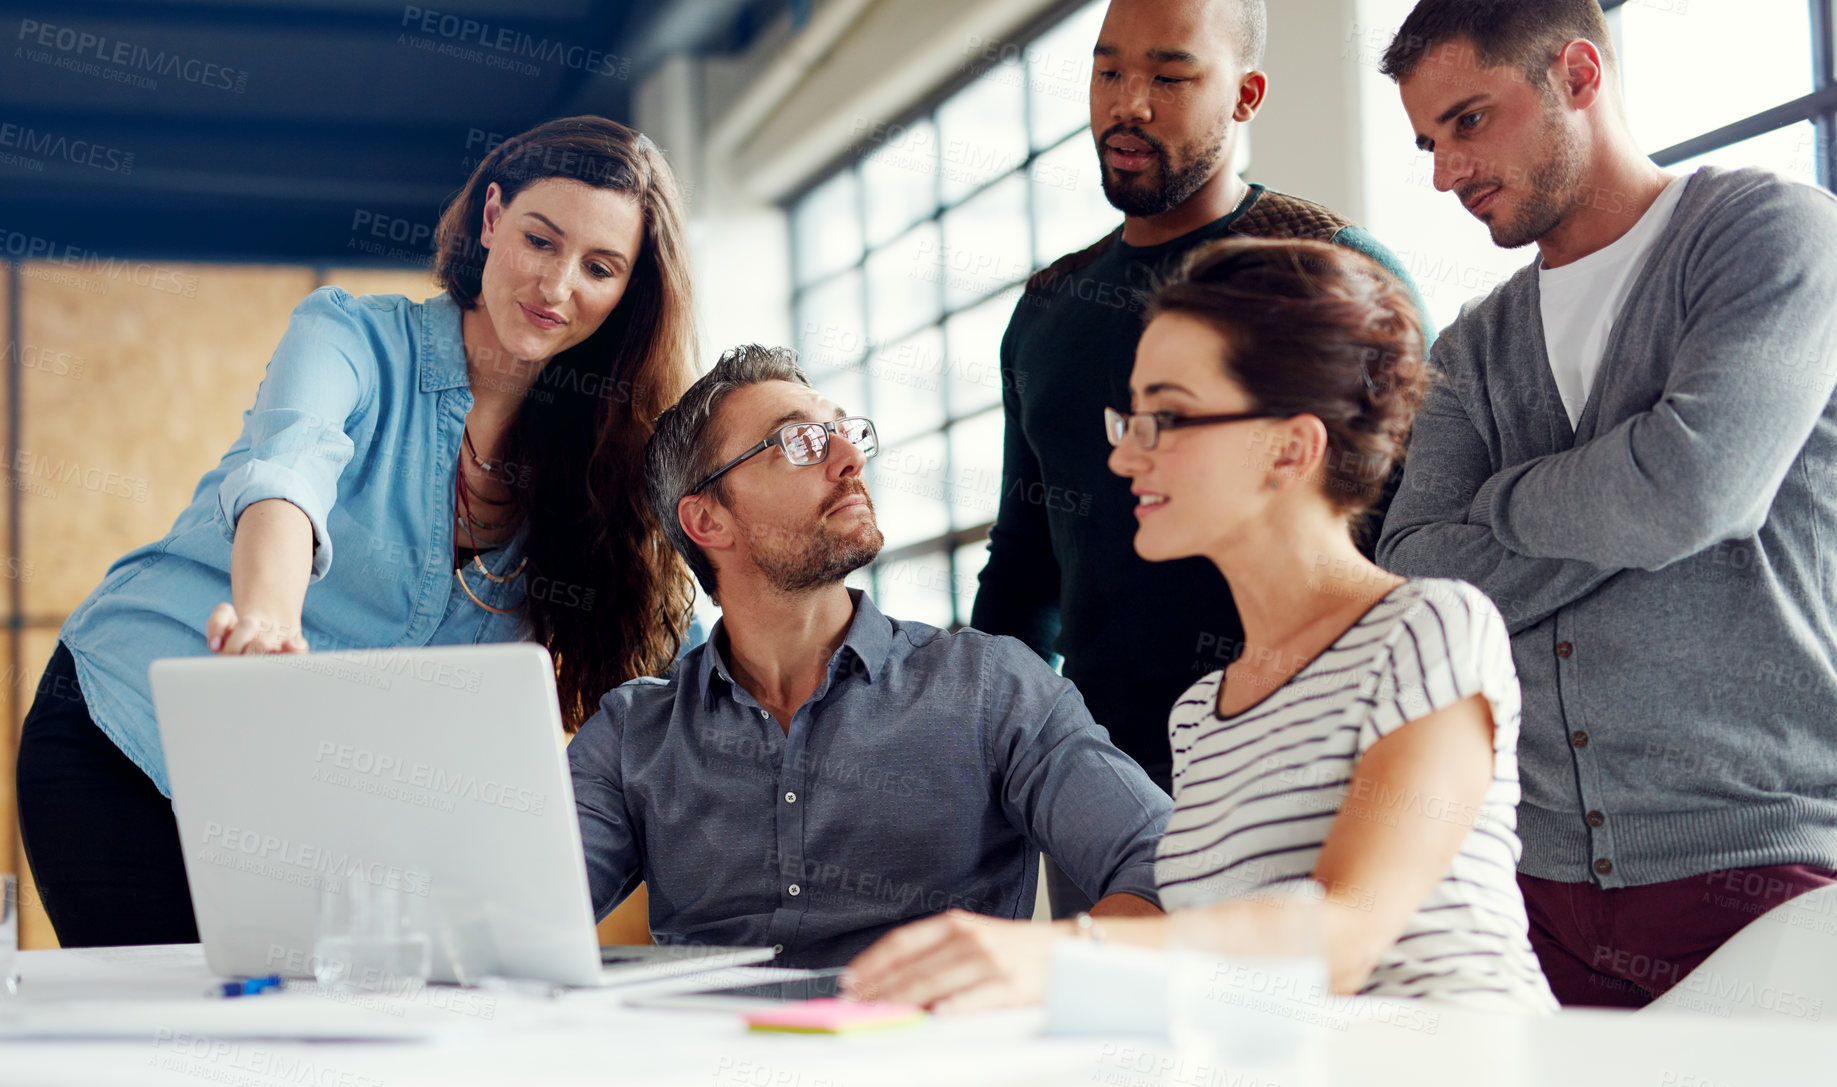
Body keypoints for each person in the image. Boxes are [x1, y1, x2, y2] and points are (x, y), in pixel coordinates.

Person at [16, 116, 699, 948]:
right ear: (491, 221)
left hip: (299, 807)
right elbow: (286, 473)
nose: (556, 285)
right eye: (539, 240)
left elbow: (677, 640)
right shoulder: (352, 337)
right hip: (125, 734)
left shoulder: (601, 463)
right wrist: (267, 621)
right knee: (173, 1037)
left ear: (629, 290)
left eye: (598, 267)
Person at [845, 238, 1556, 1014]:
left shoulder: (1430, 629)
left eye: (1170, 416)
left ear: (1289, 448)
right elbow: (1217, 981)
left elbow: (1347, 935)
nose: (1124, 459)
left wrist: (1060, 950)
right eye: (1133, 416)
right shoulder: (1203, 714)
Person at [1374, 0, 1837, 1007]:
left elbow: (1693, 488)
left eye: (1468, 120)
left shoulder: (1771, 237)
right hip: (1530, 894)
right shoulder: (1468, 347)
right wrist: (1637, 492)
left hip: (1770, 869)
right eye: (1427, 141)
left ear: (1577, 75)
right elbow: (1412, 569)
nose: (1445, 173)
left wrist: (1494, 505)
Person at [567, 345, 1171, 968]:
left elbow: (1170, 868)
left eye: (845, 432)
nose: (850, 459)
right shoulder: (631, 734)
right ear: (708, 519)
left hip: (921, 1055)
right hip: (697, 1058)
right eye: (800, 442)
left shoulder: (992, 686)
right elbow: (510, 918)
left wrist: (1038, 961)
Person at [972, 0, 1426, 823]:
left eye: (1169, 76)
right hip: (1099, 788)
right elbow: (1022, 569)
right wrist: (996, 763)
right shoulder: (1046, 310)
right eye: (1108, 71)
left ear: (1246, 94)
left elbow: (1416, 533)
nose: (1127, 104)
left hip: (1310, 765)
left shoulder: (1329, 268)